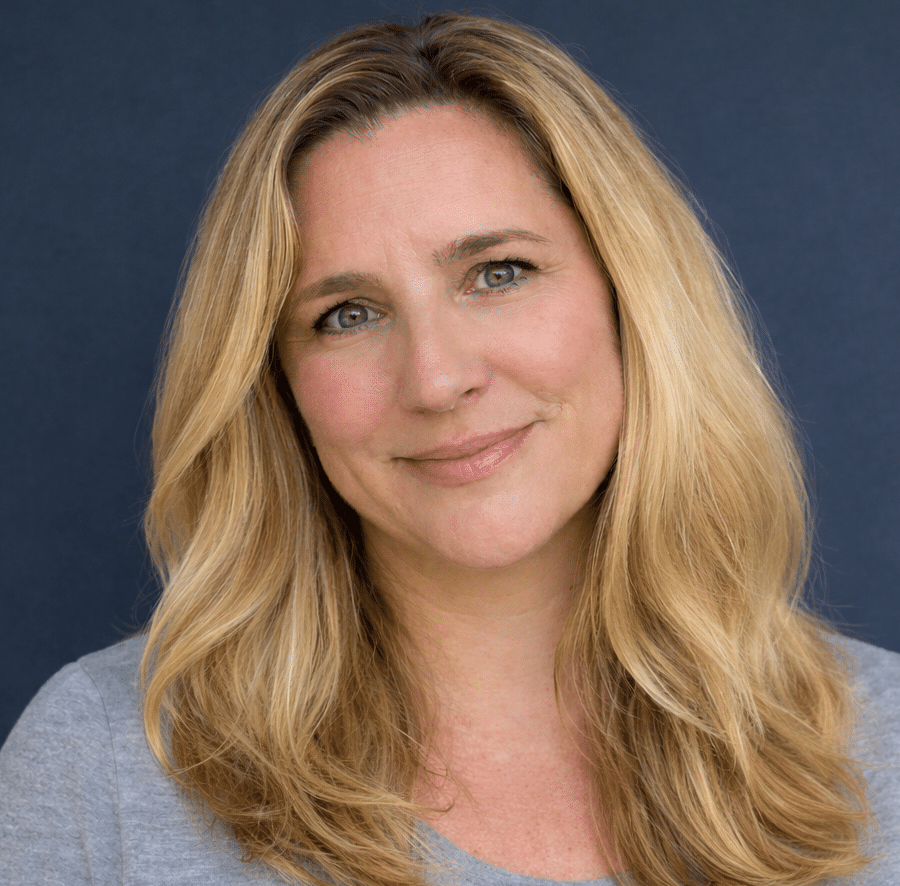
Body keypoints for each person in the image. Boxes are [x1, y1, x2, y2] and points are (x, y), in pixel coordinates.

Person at [1, 13, 897, 886]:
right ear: (275, 384)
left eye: (497, 273)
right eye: (346, 315)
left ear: (633, 301)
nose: (435, 379)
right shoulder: (104, 771)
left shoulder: (883, 748)